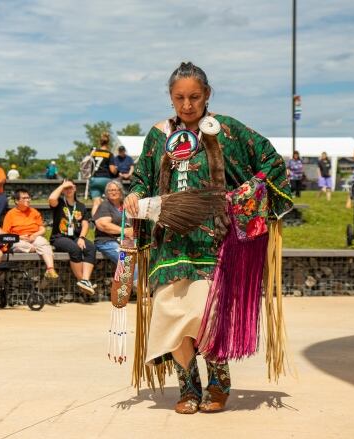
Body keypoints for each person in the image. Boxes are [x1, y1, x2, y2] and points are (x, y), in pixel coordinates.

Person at [124, 62, 293, 414]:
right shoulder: (158, 135)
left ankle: (218, 385)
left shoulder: (226, 130)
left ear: (207, 95)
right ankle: (187, 389)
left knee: (204, 314)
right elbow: (143, 177)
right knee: (171, 317)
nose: (187, 105)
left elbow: (272, 163)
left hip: (213, 240)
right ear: (171, 98)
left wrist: (246, 194)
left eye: (194, 97)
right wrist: (134, 195)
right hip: (169, 243)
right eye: (179, 98)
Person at [48, 179, 96, 295]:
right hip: (59, 237)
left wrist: (82, 237)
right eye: (66, 188)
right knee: (74, 248)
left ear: (75, 188)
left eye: (71, 187)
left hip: (75, 237)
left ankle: (85, 280)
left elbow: (85, 224)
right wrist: (63, 185)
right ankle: (83, 282)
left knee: (91, 248)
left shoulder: (81, 206)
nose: (68, 190)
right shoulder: (59, 202)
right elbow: (51, 199)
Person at [2, 188, 58, 279]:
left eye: (28, 197)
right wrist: (19, 237)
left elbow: (42, 229)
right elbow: (5, 235)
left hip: (34, 238)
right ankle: (39, 249)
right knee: (19, 245)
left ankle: (50, 269)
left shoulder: (34, 212)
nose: (28, 200)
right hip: (19, 240)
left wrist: (34, 235)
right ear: (16, 201)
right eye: (24, 198)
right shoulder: (10, 214)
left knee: (42, 241)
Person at [93, 180, 134, 263]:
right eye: (110, 190)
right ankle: (133, 276)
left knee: (140, 257)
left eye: (116, 190)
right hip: (108, 242)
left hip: (126, 241)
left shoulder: (125, 205)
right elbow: (103, 224)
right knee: (126, 260)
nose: (113, 192)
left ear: (121, 191)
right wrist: (124, 231)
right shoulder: (105, 205)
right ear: (107, 193)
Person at [88, 132, 118, 215]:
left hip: (94, 179)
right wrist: (116, 170)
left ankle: (95, 222)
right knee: (108, 202)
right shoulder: (109, 154)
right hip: (105, 180)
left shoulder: (93, 152)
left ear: (100, 142)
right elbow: (112, 170)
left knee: (96, 203)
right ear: (108, 143)